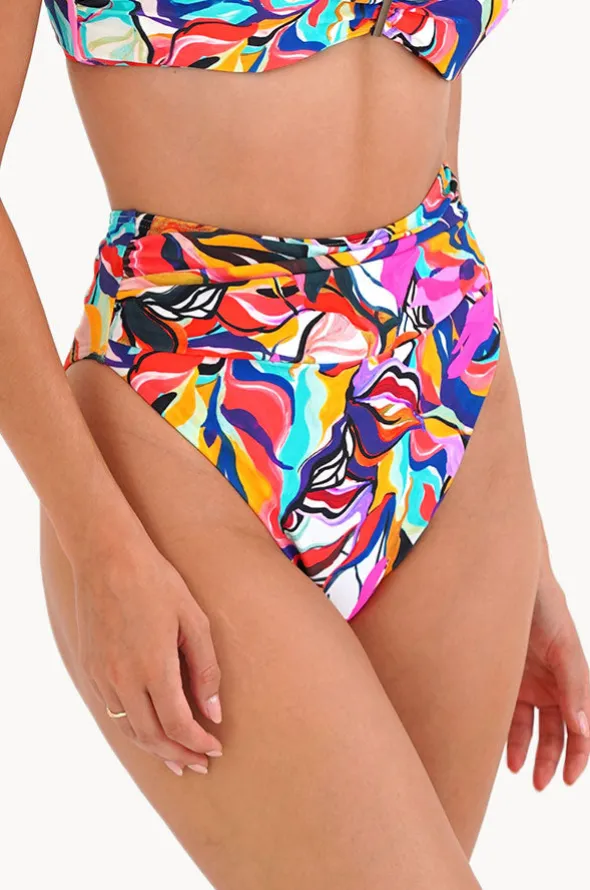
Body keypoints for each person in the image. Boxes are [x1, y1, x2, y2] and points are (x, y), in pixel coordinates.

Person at [1, 1, 588, 887]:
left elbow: (429, 107)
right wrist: (103, 552)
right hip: (189, 416)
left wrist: (528, 548)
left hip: (449, 399)